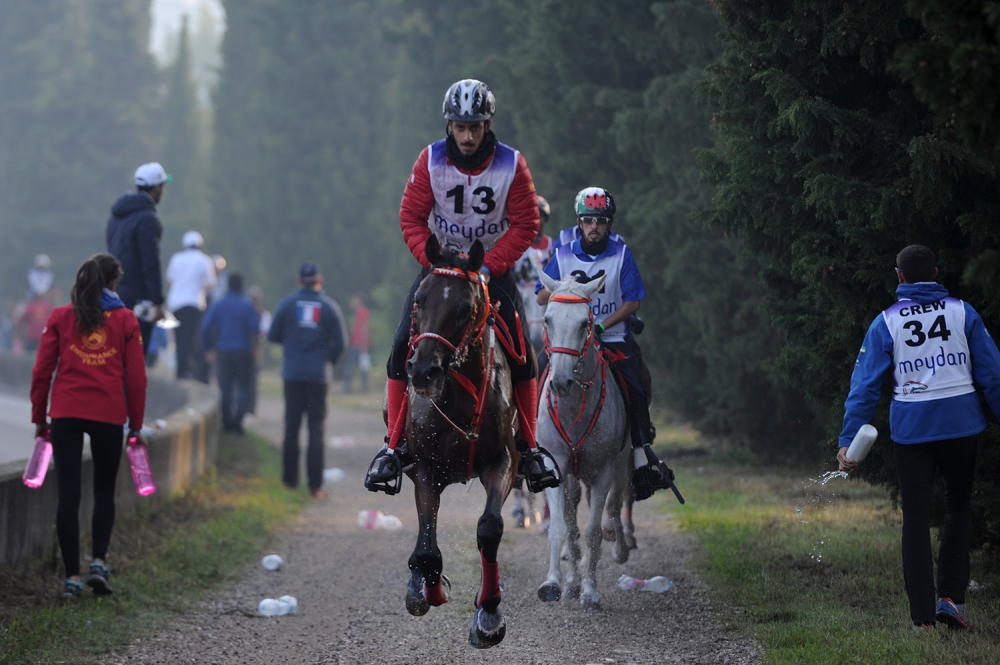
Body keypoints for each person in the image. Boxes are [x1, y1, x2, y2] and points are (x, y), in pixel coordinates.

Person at [364, 78, 561, 495]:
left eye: (475, 127)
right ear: (449, 125)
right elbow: (411, 219)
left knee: (523, 353)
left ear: (488, 125)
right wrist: (434, 261)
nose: (467, 135)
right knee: (402, 345)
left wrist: (489, 266)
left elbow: (527, 223)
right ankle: (393, 448)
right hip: (440, 272)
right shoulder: (429, 160)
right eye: (460, 126)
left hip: (491, 270)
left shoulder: (513, 163)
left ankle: (529, 449)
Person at [838, 245, 1000, 630]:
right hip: (962, 425)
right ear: (936, 273)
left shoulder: (886, 321)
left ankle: (923, 618)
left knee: (914, 516)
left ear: (900, 277)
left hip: (913, 431)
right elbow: (992, 375)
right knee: (958, 506)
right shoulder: (963, 312)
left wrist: (848, 438)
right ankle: (950, 599)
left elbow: (864, 387)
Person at [536, 186, 674, 500]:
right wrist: (564, 290)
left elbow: (633, 302)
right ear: (579, 222)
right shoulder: (563, 253)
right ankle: (531, 449)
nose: (594, 226)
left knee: (636, 384)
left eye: (600, 220)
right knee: (540, 370)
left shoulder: (621, 253)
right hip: (570, 339)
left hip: (611, 337)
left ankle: (641, 460)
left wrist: (600, 325)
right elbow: (542, 295)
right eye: (588, 220)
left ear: (609, 224)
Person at [29, 253, 147, 600]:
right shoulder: (126, 321)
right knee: (104, 491)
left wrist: (40, 418)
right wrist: (136, 425)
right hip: (109, 415)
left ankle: (72, 579)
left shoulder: (62, 316)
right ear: (113, 283)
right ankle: (98, 562)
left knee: (69, 494)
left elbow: (41, 372)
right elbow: (137, 379)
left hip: (65, 413)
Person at [268, 263, 346, 497]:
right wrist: (326, 361)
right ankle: (315, 486)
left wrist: (293, 347)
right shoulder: (329, 306)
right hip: (318, 376)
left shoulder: (287, 303)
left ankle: (289, 482)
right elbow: (341, 344)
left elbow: (273, 335)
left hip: (292, 374)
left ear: (299, 280)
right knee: (316, 431)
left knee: (291, 428)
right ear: (319, 280)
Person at [106, 162, 170, 355]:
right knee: (134, 356)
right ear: (157, 187)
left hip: (114, 294)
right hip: (139, 299)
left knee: (116, 354)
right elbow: (150, 262)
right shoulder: (148, 218)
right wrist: (157, 302)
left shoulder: (116, 216)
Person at [200, 272, 259, 433]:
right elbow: (255, 329)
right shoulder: (247, 305)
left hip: (223, 351)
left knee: (225, 388)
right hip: (243, 352)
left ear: (227, 285)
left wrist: (208, 348)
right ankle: (238, 423)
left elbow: (206, 327)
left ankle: (226, 423)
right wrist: (254, 349)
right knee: (243, 388)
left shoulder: (219, 304)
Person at [165, 231, 216, 382]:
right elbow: (211, 284)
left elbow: (170, 280)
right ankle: (185, 370)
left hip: (175, 303)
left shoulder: (177, 258)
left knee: (179, 336)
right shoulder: (204, 260)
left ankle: (182, 369)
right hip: (193, 303)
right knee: (190, 337)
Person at [246, 285, 272, 417]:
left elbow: (263, 334)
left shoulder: (264, 315)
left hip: (254, 351)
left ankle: (250, 410)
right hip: (245, 351)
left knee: (252, 382)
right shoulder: (248, 312)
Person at [341, 294, 372, 394]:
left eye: (353, 301)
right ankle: (364, 388)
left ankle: (348, 388)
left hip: (359, 344)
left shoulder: (362, 312)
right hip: (359, 343)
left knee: (351, 365)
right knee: (362, 366)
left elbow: (364, 328)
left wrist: (364, 343)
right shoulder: (360, 312)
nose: (351, 303)